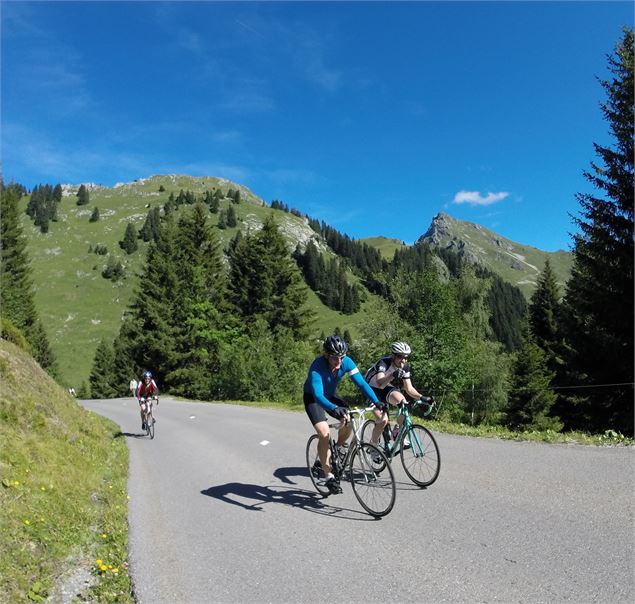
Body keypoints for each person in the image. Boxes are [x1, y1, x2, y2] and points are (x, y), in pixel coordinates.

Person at [303, 335, 383, 495]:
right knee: (324, 433)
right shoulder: (317, 366)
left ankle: (338, 447)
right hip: (313, 397)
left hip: (331, 394)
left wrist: (376, 401)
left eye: (342, 357)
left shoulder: (346, 362)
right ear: (326, 354)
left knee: (348, 420)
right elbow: (318, 396)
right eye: (334, 358)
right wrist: (334, 407)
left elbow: (361, 383)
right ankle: (328, 476)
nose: (339, 361)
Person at [364, 342, 427, 447]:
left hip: (384, 388)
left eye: (406, 357)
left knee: (403, 403)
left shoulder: (405, 366)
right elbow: (380, 382)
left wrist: (422, 397)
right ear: (393, 355)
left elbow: (409, 388)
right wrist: (393, 375)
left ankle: (397, 431)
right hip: (370, 389)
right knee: (382, 420)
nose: (403, 360)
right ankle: (373, 445)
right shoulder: (384, 363)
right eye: (399, 356)